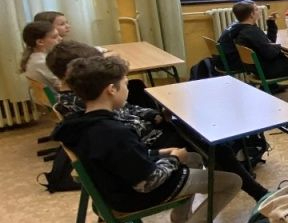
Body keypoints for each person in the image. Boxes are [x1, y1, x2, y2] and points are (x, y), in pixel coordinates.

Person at [53, 55, 241, 223]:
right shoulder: (114, 132)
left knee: (194, 159)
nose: (127, 90)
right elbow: (147, 182)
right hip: (133, 195)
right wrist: (173, 159)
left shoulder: (80, 123)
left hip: (115, 185)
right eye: (125, 84)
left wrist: (159, 153)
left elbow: (123, 156)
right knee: (232, 182)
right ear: (111, 90)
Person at [47, 41, 270, 200]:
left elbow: (126, 110)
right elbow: (119, 133)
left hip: (139, 140)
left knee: (194, 125)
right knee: (210, 140)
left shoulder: (81, 95)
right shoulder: (84, 107)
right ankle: (255, 190)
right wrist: (158, 129)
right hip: (140, 149)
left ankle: (235, 170)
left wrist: (152, 115)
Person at [217, 0, 288, 87]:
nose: (259, 10)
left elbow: (267, 43)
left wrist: (271, 23)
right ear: (251, 14)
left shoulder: (240, 27)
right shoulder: (250, 31)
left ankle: (272, 87)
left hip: (255, 67)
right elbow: (270, 53)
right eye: (256, 9)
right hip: (264, 69)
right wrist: (280, 48)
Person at [20, 20, 61, 90]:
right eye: (54, 37)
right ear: (40, 42)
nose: (60, 39)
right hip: (55, 96)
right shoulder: (41, 62)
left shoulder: (36, 57)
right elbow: (60, 85)